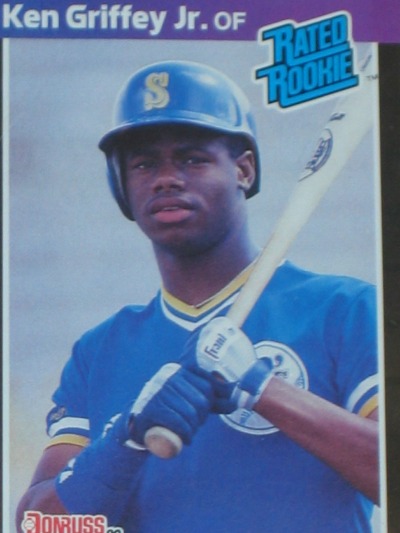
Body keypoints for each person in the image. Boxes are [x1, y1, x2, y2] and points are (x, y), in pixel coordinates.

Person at [16, 60, 379, 533]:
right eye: (144, 163)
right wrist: (125, 439)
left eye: (192, 158)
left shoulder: (343, 310)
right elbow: (39, 526)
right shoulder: (98, 350)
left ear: (243, 169)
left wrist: (262, 388)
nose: (167, 178)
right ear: (121, 186)